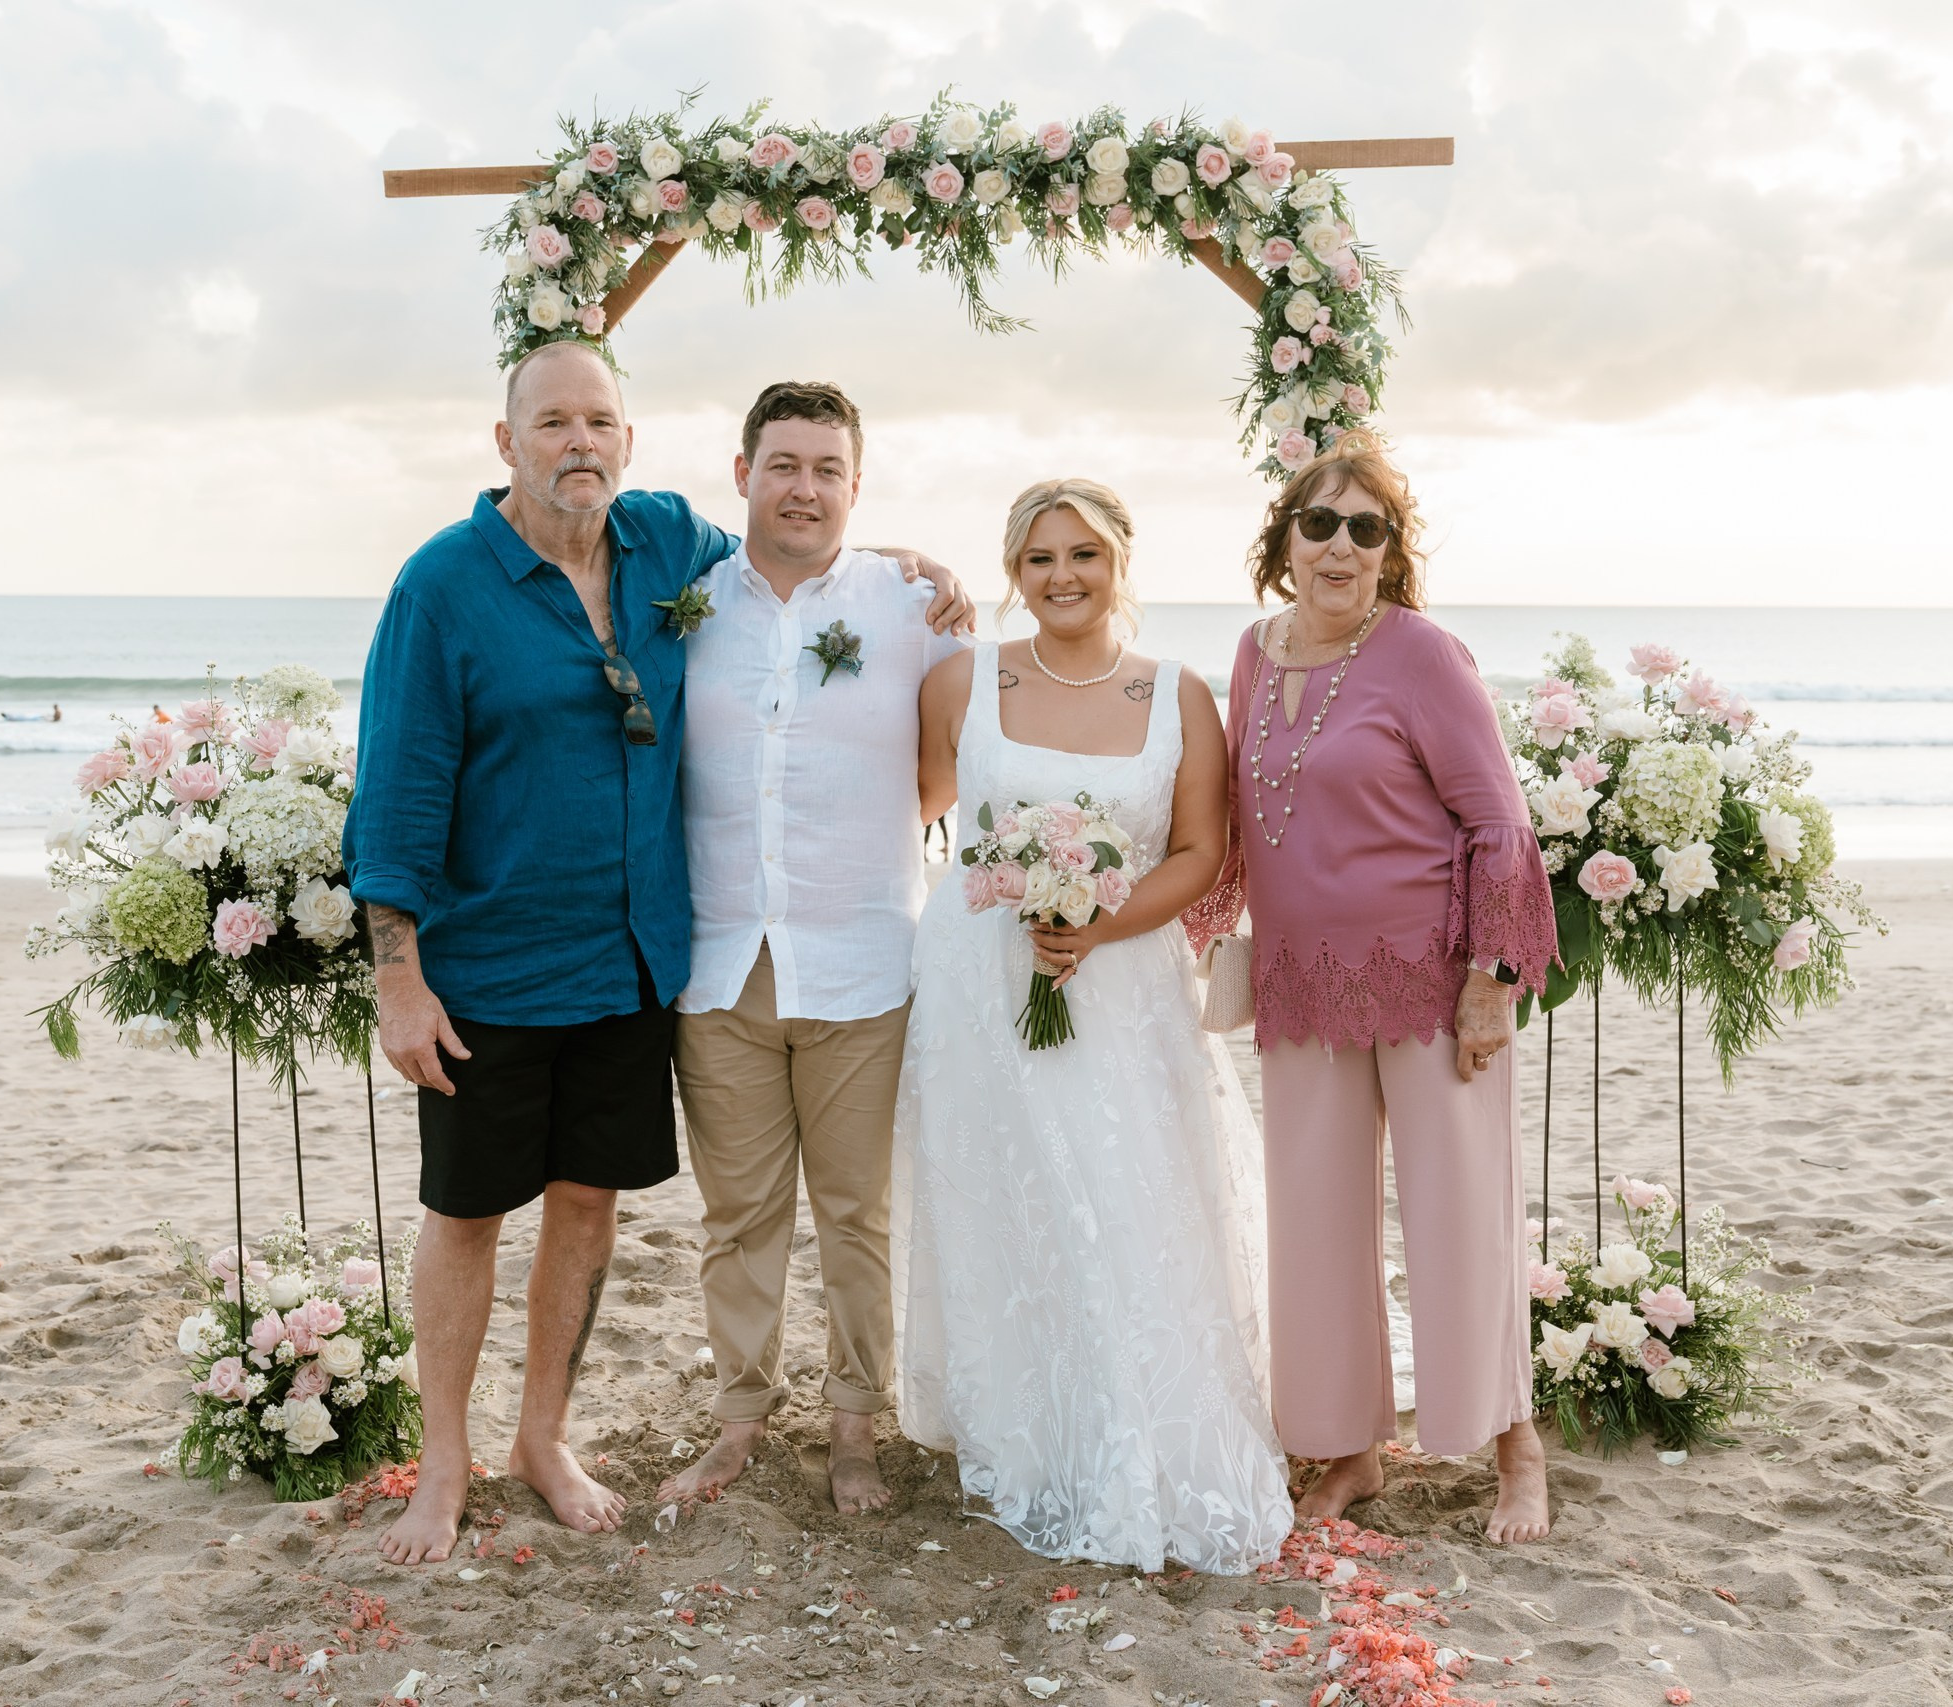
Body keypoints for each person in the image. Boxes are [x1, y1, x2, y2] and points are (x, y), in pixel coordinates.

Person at [343, 342, 968, 1564]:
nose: (577, 442)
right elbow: (396, 792)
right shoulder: (441, 585)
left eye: (598, 421)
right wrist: (398, 978)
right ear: (507, 440)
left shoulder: (662, 544)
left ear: (628, 442)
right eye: (552, 422)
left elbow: (802, 550)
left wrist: (906, 563)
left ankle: (542, 1438)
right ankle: (446, 1462)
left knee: (588, 1206)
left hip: (635, 964)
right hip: (489, 971)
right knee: (465, 1214)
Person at [893, 478, 1291, 1574]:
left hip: (1123, 987)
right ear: (1011, 572)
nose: (1062, 576)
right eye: (1039, 558)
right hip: (983, 986)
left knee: (1126, 1195)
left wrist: (1097, 923)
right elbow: (917, 813)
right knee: (1007, 1199)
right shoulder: (961, 682)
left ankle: (1136, 1420)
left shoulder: (1178, 696)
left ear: (1120, 562)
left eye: (1083, 555)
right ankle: (1029, 1423)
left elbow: (1201, 852)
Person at [1184, 433, 1559, 1546]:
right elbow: (1245, 815)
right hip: (1302, 983)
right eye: (1320, 524)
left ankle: (1516, 1448)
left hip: (1430, 981)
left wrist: (1490, 981)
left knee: (1461, 1219)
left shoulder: (1423, 655)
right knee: (1315, 1228)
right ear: (1284, 542)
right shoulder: (1252, 653)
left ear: (1391, 550)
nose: (1340, 546)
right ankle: (1351, 1449)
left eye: (1366, 528)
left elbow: (1499, 821)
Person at [656, 382, 964, 1518]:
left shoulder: (915, 605)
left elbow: (946, 767)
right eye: (783, 465)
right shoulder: (681, 603)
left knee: (856, 1215)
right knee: (737, 1217)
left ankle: (853, 1427)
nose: (804, 488)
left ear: (856, 484)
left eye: (827, 469)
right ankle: (739, 1421)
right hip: (719, 963)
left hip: (865, 963)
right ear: (742, 473)